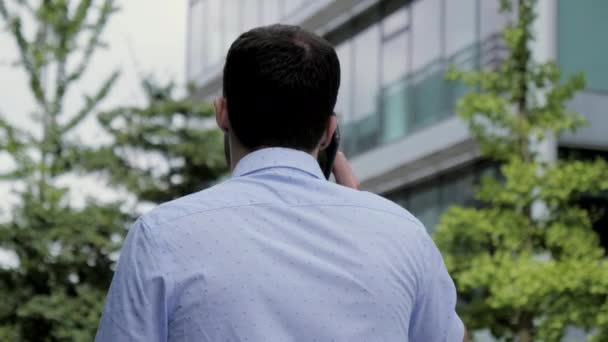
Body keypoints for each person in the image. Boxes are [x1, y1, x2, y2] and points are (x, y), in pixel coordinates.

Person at [95, 24, 464, 342]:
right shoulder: (405, 236)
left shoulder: (160, 236)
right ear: (329, 132)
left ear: (223, 113)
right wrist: (367, 220)